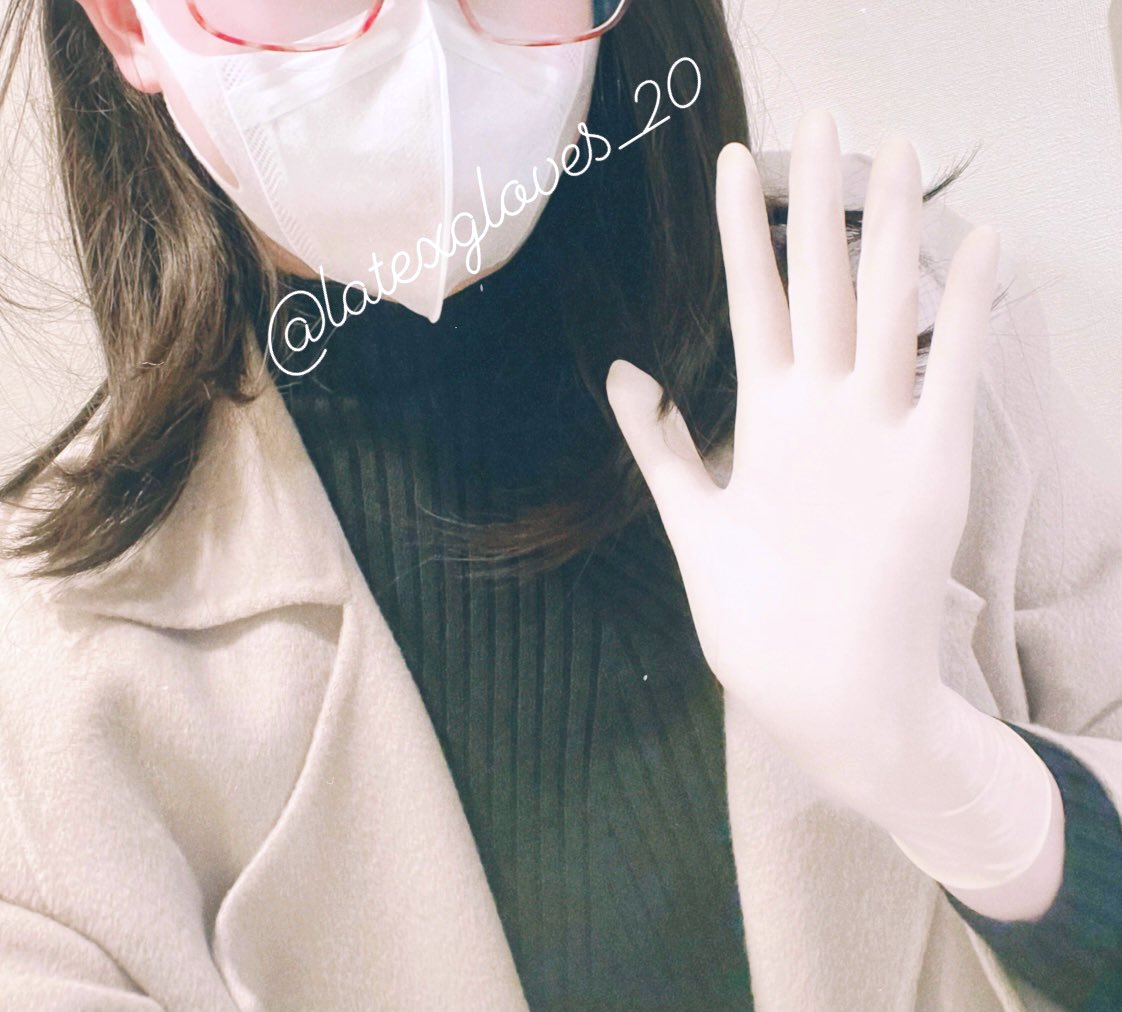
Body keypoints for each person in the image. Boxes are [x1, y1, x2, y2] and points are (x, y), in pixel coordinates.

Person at [0, 0, 1119, 1008]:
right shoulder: (57, 670)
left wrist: (984, 805)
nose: (424, 38)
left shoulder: (905, 327)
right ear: (129, 22)